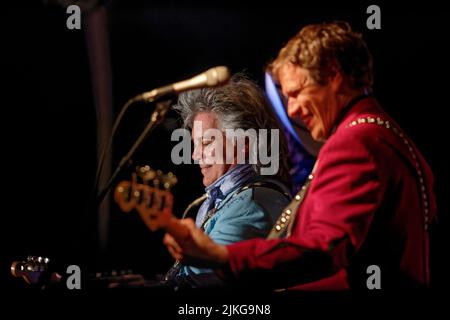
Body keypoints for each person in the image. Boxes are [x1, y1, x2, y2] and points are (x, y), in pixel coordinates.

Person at [163, 21, 437, 290]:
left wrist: (222, 257)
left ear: (333, 75)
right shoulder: (385, 132)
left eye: (296, 93)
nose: (291, 110)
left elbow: (323, 249)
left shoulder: (355, 142)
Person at [161, 73, 292, 288]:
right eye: (195, 144)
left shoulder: (250, 205)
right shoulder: (224, 199)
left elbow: (201, 285)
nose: (195, 155)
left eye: (206, 142)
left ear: (244, 143)